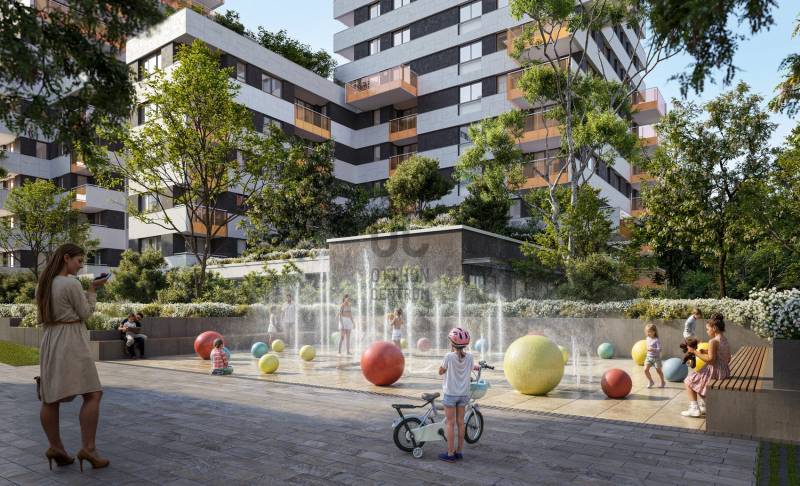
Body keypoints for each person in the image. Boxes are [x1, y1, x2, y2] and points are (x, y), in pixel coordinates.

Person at [36, 243, 109, 472]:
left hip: (50, 339)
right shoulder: (71, 283)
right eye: (79, 261)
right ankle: (89, 449)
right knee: (93, 393)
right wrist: (93, 289)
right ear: (66, 258)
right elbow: (85, 313)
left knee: (50, 397)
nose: (80, 266)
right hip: (71, 340)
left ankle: (55, 448)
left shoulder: (43, 284)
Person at [438, 327, 476, 463]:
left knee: (450, 423)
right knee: (461, 423)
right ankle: (459, 452)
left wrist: (444, 368)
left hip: (450, 394)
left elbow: (441, 371)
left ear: (452, 343)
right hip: (463, 394)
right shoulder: (470, 357)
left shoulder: (448, 356)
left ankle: (450, 453)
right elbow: (469, 370)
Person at [682, 313, 731, 417]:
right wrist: (705, 351)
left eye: (708, 329)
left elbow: (710, 360)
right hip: (724, 370)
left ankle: (694, 409)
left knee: (689, 381)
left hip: (715, 371)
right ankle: (704, 405)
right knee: (699, 382)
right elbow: (727, 357)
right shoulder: (724, 339)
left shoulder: (713, 341)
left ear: (714, 328)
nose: (707, 331)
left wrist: (694, 352)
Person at [644, 323, 665, 388]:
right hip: (648, 357)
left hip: (656, 358)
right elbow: (648, 346)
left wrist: (653, 349)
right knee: (645, 370)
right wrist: (648, 349)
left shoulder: (656, 340)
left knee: (658, 371)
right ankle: (651, 381)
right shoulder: (647, 338)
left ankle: (662, 382)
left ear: (654, 332)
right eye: (647, 332)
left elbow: (659, 349)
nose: (648, 333)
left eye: (650, 332)